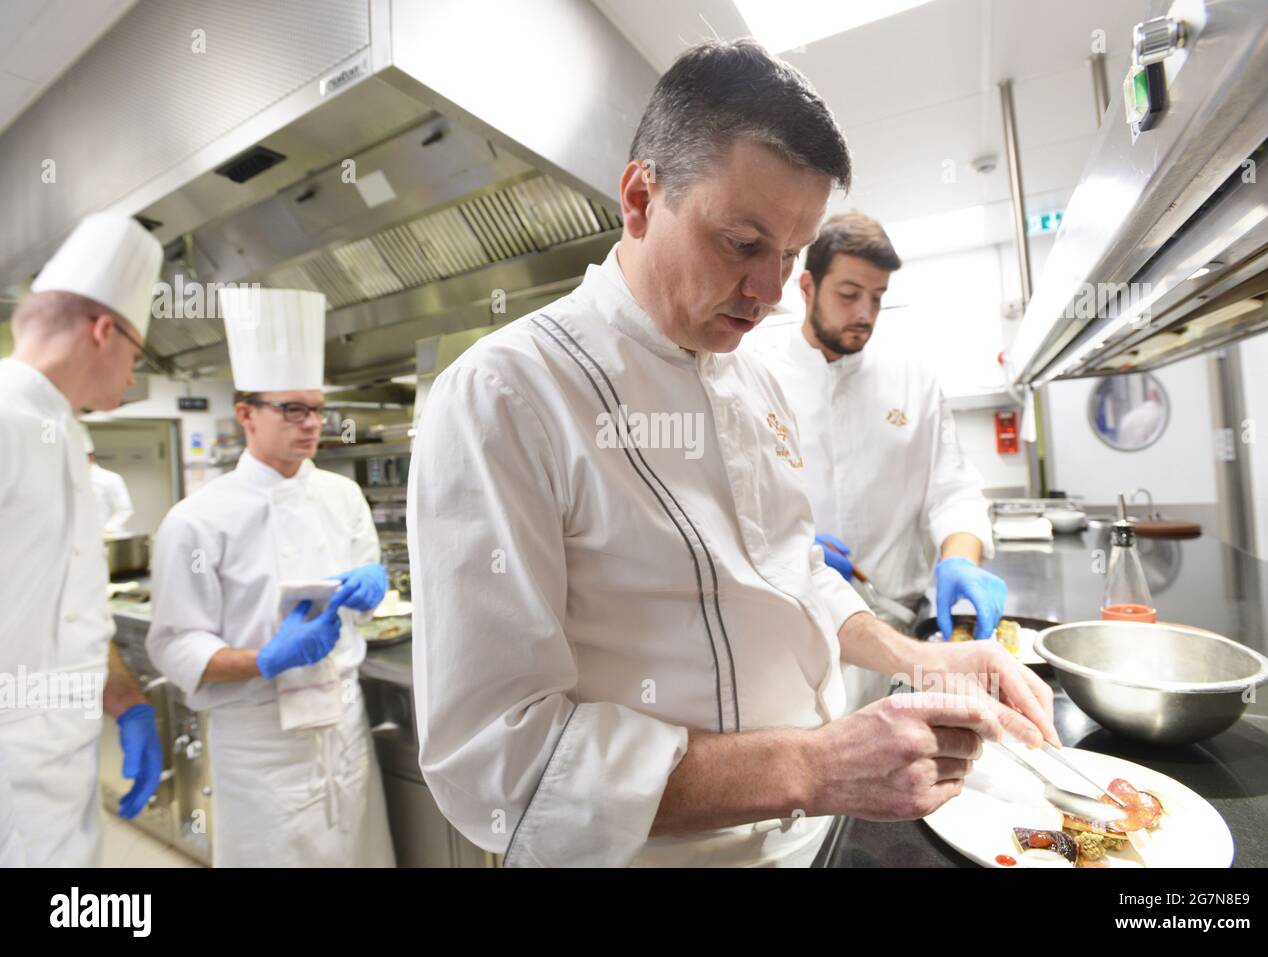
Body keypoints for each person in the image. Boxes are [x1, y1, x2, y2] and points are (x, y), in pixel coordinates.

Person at [408, 39, 1057, 868]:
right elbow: (498, 762)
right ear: (641, 197)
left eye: (790, 255)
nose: (769, 291)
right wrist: (814, 764)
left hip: (811, 836)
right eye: (742, 243)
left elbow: (795, 569)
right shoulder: (506, 395)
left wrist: (921, 655)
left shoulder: (752, 382)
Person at [146, 287, 395, 867]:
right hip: (259, 745)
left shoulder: (343, 495)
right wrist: (263, 659)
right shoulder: (195, 520)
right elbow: (175, 645)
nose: (312, 424)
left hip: (344, 728)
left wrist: (373, 585)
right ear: (245, 413)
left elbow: (362, 604)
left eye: (317, 408)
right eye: (293, 410)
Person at [746, 213, 1005, 709]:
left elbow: (952, 490)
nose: (865, 311)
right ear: (806, 286)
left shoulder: (913, 379)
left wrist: (958, 558)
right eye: (848, 294)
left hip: (897, 638)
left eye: (878, 296)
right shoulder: (751, 370)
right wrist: (785, 546)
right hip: (790, 637)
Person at [0, 212, 164, 866]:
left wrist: (125, 700)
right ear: (103, 331)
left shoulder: (66, 432)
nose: (131, 376)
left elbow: (75, 606)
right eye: (136, 353)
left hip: (59, 781)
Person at [83, 428, 135, 534]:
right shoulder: (71, 480)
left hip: (108, 536)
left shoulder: (111, 478)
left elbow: (125, 509)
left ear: (90, 457)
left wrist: (107, 529)